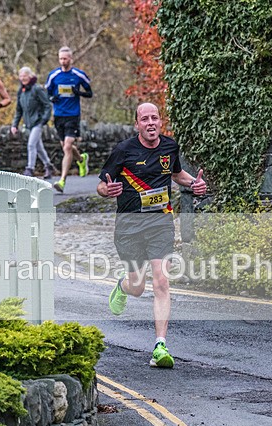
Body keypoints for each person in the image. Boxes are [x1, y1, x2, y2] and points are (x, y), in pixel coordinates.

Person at [97, 102, 207, 368]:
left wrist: (195, 183)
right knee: (137, 286)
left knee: (162, 282)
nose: (150, 123)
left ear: (160, 122)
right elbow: (102, 184)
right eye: (144, 119)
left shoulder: (170, 147)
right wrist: (106, 191)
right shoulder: (123, 151)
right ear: (137, 124)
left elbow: (177, 174)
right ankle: (123, 285)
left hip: (160, 223)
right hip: (129, 226)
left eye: (154, 118)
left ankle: (160, 345)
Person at [45, 46, 92, 192]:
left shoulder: (78, 74)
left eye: (65, 58)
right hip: (59, 115)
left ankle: (62, 181)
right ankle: (81, 159)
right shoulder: (53, 76)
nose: (63, 61)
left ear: (71, 59)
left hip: (73, 115)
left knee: (67, 146)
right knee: (67, 147)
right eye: (60, 58)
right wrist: (52, 98)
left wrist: (79, 93)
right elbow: (47, 94)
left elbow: (89, 93)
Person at [11, 66, 55, 178]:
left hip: (38, 122)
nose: (23, 78)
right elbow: (19, 110)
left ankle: (30, 168)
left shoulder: (37, 89)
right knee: (38, 147)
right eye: (21, 76)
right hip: (29, 123)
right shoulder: (21, 91)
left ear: (30, 76)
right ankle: (48, 166)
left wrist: (44, 119)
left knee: (31, 145)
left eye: (25, 76)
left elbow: (47, 105)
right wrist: (14, 124)